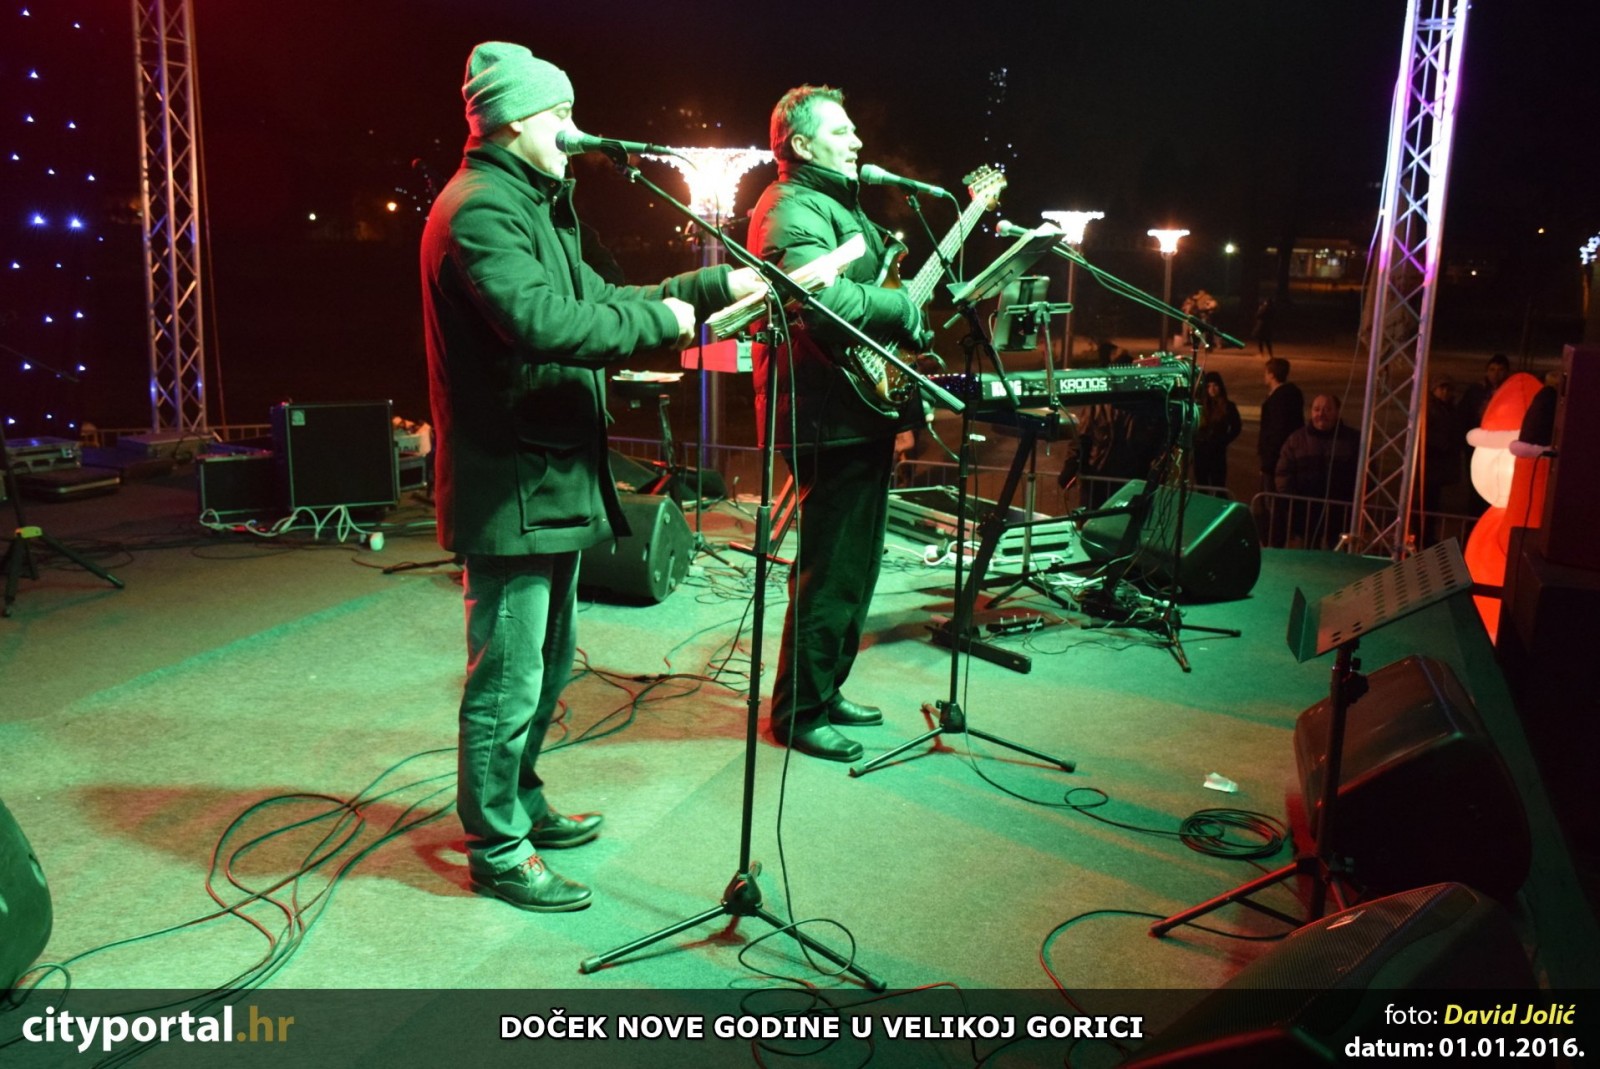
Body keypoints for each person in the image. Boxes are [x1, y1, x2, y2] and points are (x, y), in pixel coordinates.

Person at [421, 42, 762, 911]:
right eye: (561, 116)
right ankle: (497, 846)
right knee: (508, 677)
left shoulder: (531, 205)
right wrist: (667, 321)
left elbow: (604, 298)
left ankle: (521, 799)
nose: (574, 131)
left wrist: (711, 284)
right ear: (517, 120)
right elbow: (542, 321)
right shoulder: (479, 209)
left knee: (547, 662)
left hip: (550, 475)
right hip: (512, 485)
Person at [747, 85, 932, 763]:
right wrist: (899, 310)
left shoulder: (836, 205)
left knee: (856, 569)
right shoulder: (788, 208)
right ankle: (797, 711)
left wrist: (910, 308)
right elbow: (819, 304)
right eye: (841, 131)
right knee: (829, 572)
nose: (857, 140)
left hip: (855, 409)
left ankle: (823, 689)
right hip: (822, 415)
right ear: (800, 144)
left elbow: (874, 289)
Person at [1275, 393, 1359, 548]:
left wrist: (1353, 501)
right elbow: (1283, 473)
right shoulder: (1296, 439)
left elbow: (1366, 475)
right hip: (1305, 513)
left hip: (1340, 514)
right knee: (1306, 554)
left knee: (1337, 553)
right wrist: (1292, 501)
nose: (1321, 414)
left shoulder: (1353, 440)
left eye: (1327, 409)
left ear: (1337, 412)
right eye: (1317, 409)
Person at [1191, 369, 1241, 491]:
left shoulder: (1228, 406)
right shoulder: (1200, 405)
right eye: (1208, 386)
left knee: (1218, 485)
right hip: (1201, 452)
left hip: (1217, 453)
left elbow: (1236, 427)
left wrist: (1224, 440)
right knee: (1201, 485)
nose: (1212, 389)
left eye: (1215, 385)